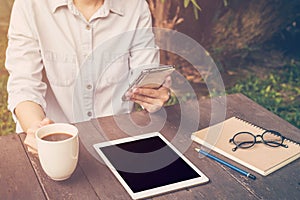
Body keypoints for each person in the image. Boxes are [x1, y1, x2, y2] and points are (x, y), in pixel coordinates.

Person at [5, 0, 170, 153]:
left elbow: (146, 76)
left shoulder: (135, 6)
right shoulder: (30, 5)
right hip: (57, 143)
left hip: (118, 141)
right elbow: (24, 85)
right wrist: (38, 129)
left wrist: (156, 93)